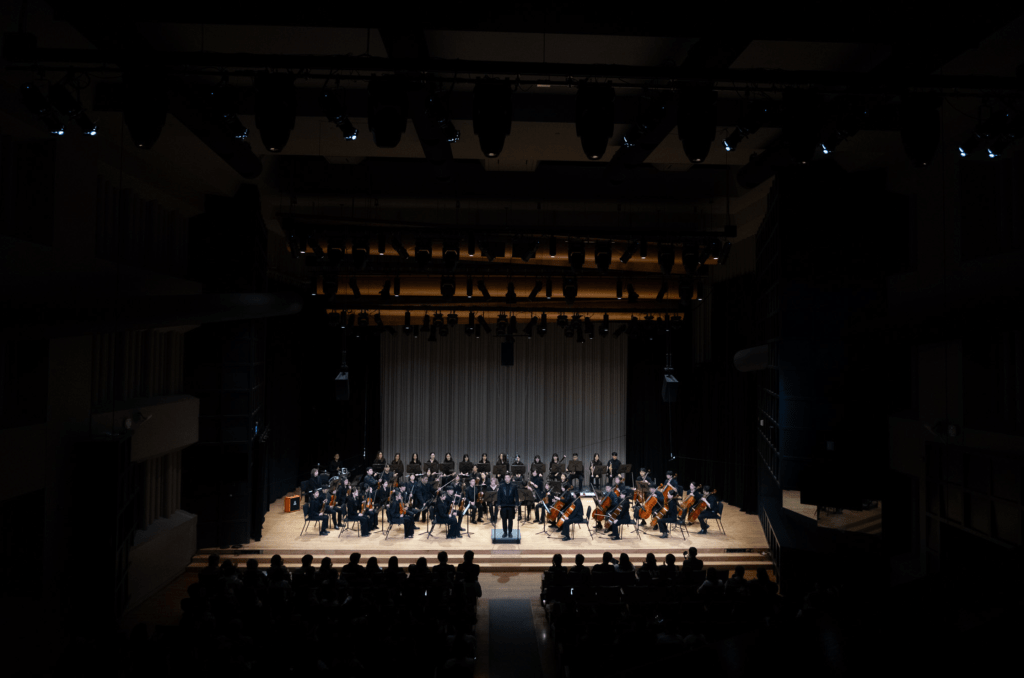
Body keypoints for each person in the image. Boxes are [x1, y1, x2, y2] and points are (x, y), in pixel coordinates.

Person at [497, 473, 519, 538]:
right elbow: (499, 496)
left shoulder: (514, 486)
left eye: (508, 477)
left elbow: (517, 496)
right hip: (503, 505)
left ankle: (510, 532)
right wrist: (499, 505)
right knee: (504, 520)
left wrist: (516, 505)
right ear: (504, 478)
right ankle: (505, 532)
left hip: (511, 505)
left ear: (510, 478)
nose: (506, 479)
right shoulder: (501, 486)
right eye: (505, 477)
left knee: (510, 520)